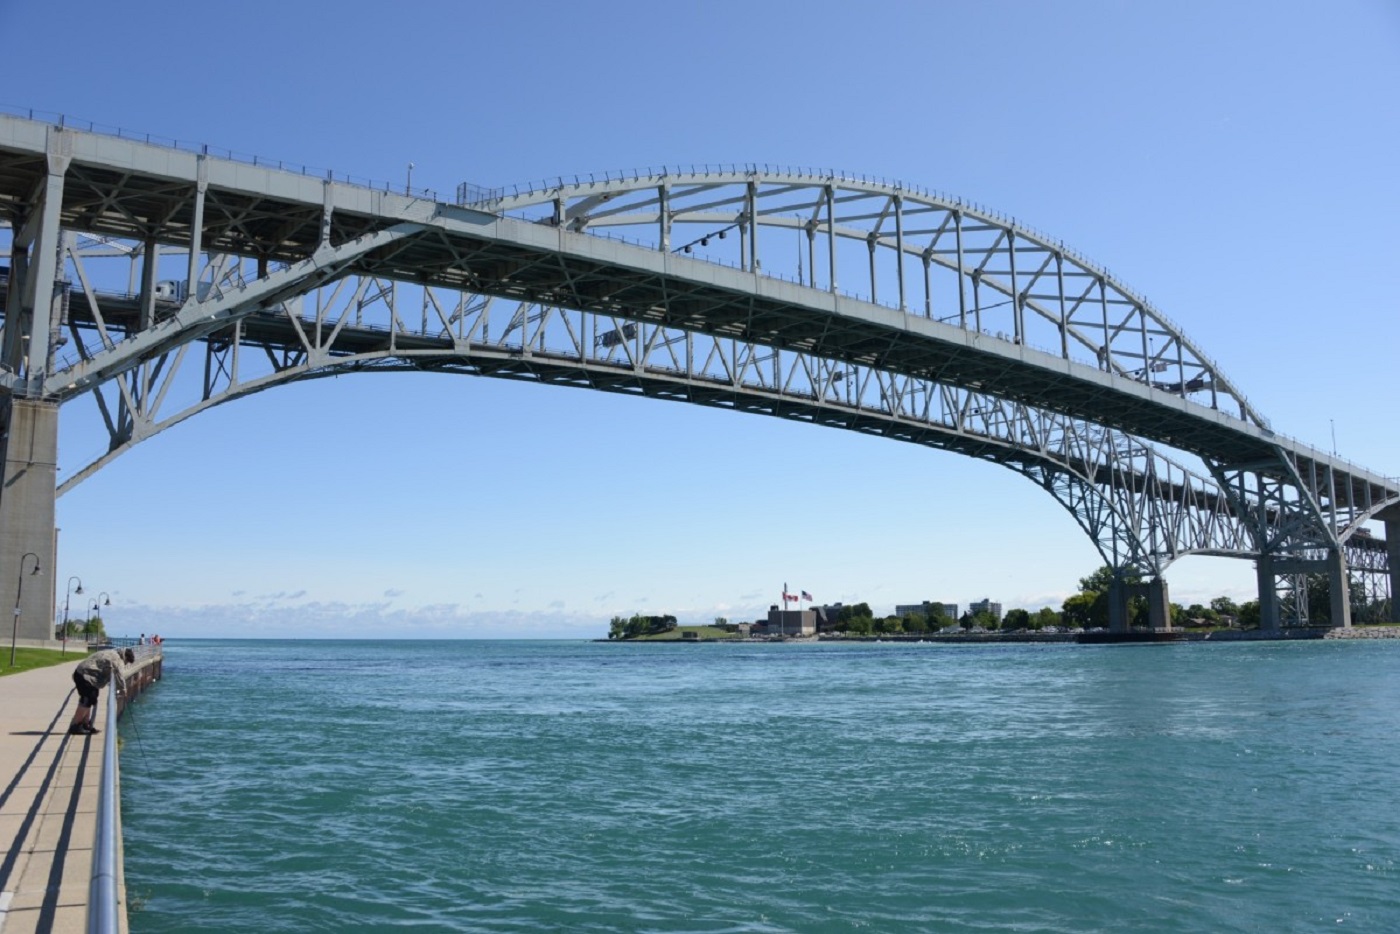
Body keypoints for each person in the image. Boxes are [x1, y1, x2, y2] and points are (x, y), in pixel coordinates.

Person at [69, 647, 134, 735]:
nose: (125, 664)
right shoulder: (117, 659)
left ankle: (85, 724)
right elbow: (119, 675)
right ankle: (75, 726)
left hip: (83, 674)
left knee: (91, 699)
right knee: (87, 700)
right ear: (125, 657)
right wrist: (123, 690)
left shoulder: (111, 652)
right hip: (85, 676)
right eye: (127, 662)